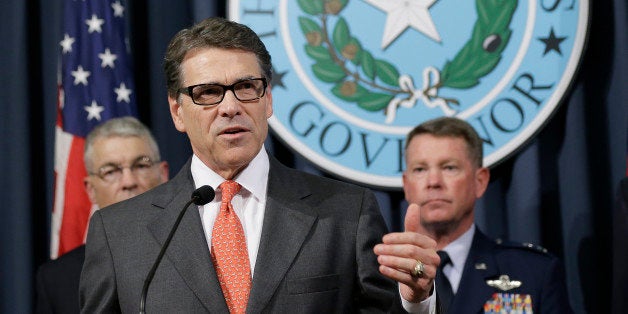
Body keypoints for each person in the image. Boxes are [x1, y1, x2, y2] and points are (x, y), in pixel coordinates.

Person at [79, 17, 439, 313]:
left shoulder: (346, 213)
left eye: (246, 87)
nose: (230, 106)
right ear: (177, 111)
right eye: (208, 93)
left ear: (268, 100)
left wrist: (417, 300)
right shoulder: (119, 234)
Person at [397, 116, 572, 313]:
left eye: (449, 167)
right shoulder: (379, 278)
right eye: (420, 169)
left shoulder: (535, 272)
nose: (434, 181)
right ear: (406, 185)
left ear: (479, 181)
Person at [35, 116, 169, 314]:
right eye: (111, 171)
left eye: (141, 165)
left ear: (163, 174)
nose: (128, 181)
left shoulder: (200, 248)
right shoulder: (56, 279)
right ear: (90, 189)